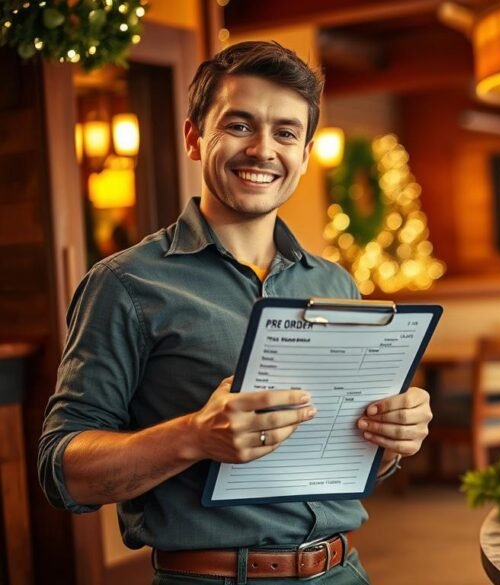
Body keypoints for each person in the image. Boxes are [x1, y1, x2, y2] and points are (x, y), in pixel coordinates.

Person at [38, 41, 432, 584]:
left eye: (286, 133)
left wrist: (392, 439)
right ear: (195, 138)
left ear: (305, 153)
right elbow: (62, 471)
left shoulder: (335, 282)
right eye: (240, 125)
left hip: (345, 571)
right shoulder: (124, 284)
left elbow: (349, 459)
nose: (264, 150)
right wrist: (194, 435)